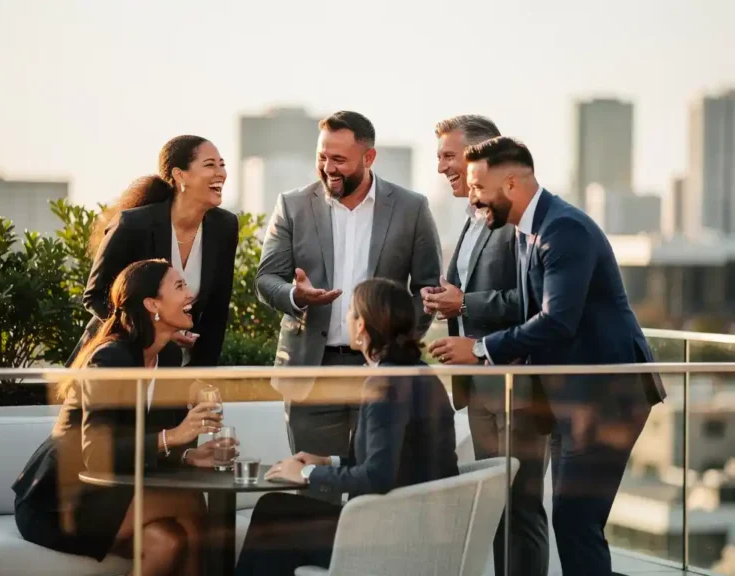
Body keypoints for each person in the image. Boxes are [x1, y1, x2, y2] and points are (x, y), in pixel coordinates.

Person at [449, 136, 667, 576]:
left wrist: (481, 348)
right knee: (573, 523)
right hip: (570, 399)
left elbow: (557, 321)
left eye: (478, 187)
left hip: (607, 398)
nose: (472, 199)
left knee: (575, 523)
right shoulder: (529, 230)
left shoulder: (563, 229)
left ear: (511, 183)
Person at [255, 111, 442, 473]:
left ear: (369, 157)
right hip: (312, 372)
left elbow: (427, 289)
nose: (328, 168)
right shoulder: (292, 205)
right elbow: (267, 279)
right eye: (322, 157)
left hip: (382, 371)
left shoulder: (412, 208)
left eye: (339, 159)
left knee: (379, 481)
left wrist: (396, 345)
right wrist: (295, 297)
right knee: (313, 481)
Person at [13, 259, 226, 576]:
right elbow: (96, 453)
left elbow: (151, 439)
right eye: (179, 286)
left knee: (167, 542)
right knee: (190, 502)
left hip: (111, 491)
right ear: (152, 304)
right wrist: (173, 437)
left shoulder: (167, 357)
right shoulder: (111, 358)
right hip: (61, 500)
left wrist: (188, 455)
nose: (190, 294)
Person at [235, 278, 459, 576]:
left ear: (362, 325)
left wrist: (305, 474)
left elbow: (377, 476)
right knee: (273, 509)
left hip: (391, 536)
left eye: (351, 311)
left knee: (272, 520)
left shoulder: (386, 384)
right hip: (417, 523)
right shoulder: (416, 372)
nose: (347, 318)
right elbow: (393, 459)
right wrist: (327, 461)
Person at [424, 115, 549, 576]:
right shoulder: (469, 219)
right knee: (496, 504)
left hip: (518, 387)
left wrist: (465, 302)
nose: (442, 167)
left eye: (449, 156)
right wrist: (444, 299)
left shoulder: (517, 216)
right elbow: (465, 290)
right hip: (479, 387)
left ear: (480, 155)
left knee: (522, 508)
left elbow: (531, 300)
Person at [71, 135, 239, 368]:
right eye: (210, 165)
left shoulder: (224, 226)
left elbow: (216, 313)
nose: (221, 173)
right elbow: (95, 296)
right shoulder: (133, 225)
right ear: (180, 175)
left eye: (222, 165)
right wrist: (156, 333)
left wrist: (200, 376)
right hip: (113, 362)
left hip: (172, 367)